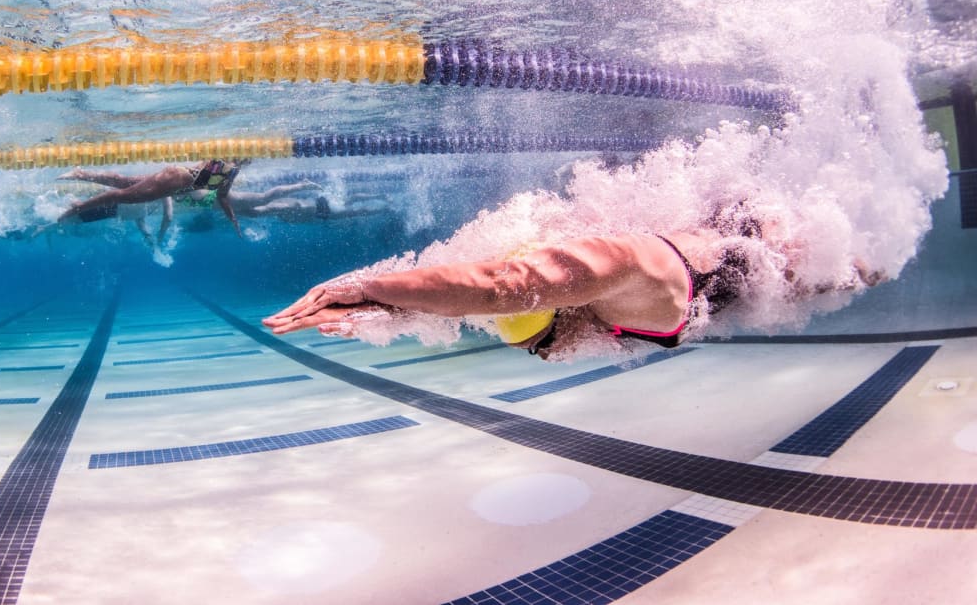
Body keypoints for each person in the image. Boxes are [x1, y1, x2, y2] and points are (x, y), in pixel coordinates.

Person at [264, 208, 884, 361]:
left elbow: (503, 288)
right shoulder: (585, 296)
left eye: (542, 342)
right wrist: (384, 310)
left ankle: (873, 259)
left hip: (714, 274)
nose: (546, 355)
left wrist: (371, 287)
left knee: (829, 272)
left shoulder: (630, 266)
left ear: (562, 312)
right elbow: (477, 299)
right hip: (682, 296)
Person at [55, 159, 244, 240]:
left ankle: (81, 174)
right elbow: (217, 193)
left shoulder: (226, 169)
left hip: (175, 177)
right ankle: (77, 208)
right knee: (121, 195)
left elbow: (222, 197)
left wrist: (233, 219)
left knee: (122, 182)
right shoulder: (228, 168)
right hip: (174, 182)